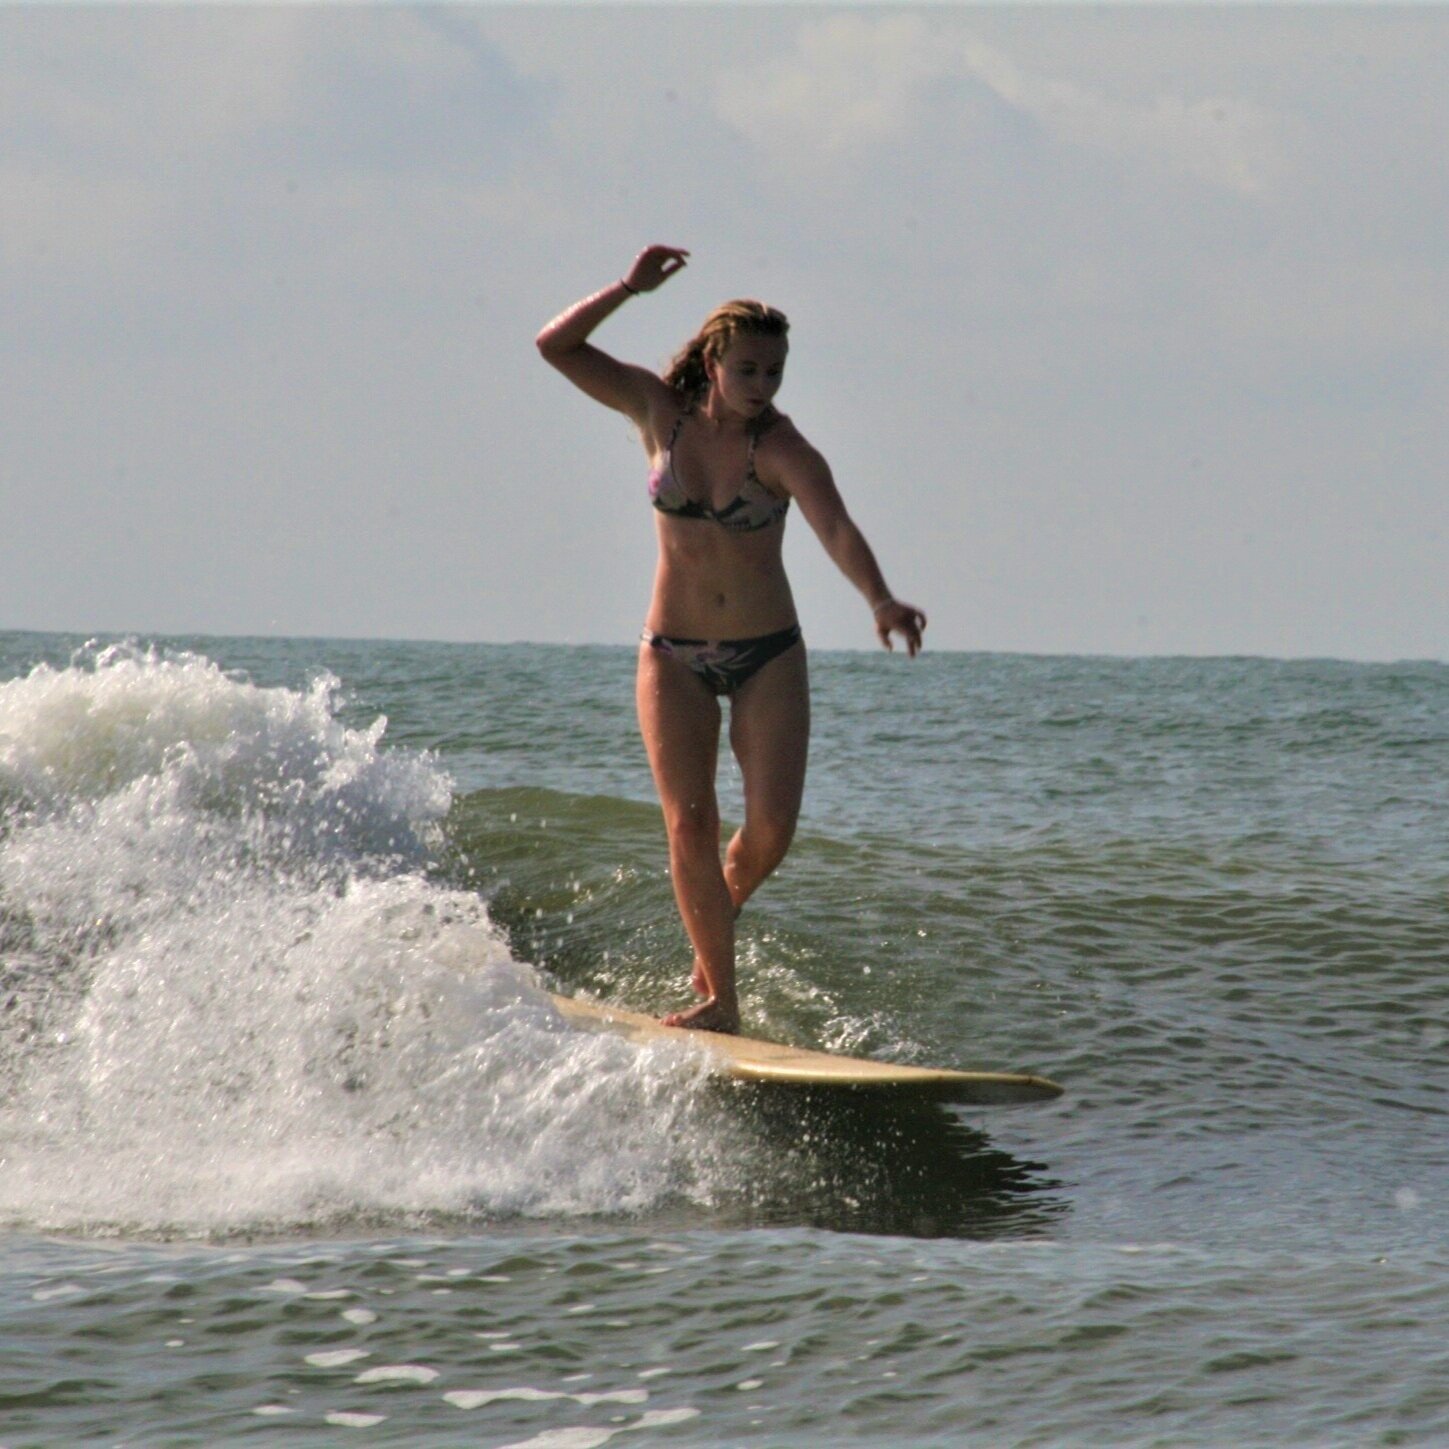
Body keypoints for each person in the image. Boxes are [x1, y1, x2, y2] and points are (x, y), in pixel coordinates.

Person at [536, 245, 926, 1033]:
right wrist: (625, 288)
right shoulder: (657, 412)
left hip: (765, 656)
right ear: (714, 360)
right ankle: (721, 998)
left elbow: (836, 528)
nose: (762, 387)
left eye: (774, 373)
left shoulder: (783, 449)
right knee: (689, 822)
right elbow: (556, 347)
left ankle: (720, 905)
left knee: (771, 831)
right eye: (747, 370)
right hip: (671, 653)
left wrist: (879, 598)